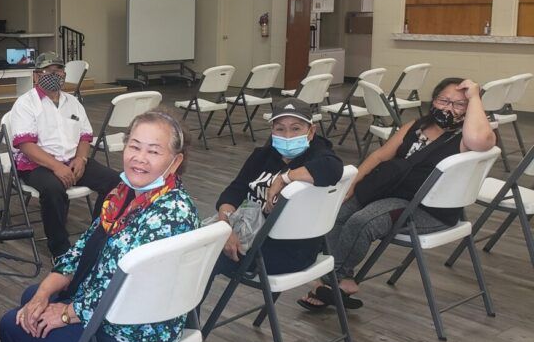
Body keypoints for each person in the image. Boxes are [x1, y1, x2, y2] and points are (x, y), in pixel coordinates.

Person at [0, 111, 198, 342]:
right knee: (33, 299)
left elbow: (127, 290)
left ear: (175, 161)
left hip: (135, 330)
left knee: (13, 327)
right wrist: (43, 293)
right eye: (134, 146)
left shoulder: (171, 212)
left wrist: (65, 314)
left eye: (153, 151)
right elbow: (82, 250)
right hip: (113, 308)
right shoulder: (124, 193)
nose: (139, 158)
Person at [298, 78, 495, 310]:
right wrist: (352, 184)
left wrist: (474, 97)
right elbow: (380, 155)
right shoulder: (416, 126)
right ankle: (341, 280)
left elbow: (480, 140)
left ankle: (330, 281)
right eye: (444, 100)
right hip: (388, 190)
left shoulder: (465, 139)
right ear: (433, 100)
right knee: (337, 212)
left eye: (460, 104)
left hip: (424, 208)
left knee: (361, 222)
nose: (449, 108)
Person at [211, 98, 344, 279]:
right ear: (272, 131)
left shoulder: (319, 155)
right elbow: (234, 191)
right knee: (197, 245)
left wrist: (284, 178)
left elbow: (333, 169)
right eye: (280, 128)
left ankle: (186, 306)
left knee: (200, 258)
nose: (287, 135)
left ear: (311, 131)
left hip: (287, 251)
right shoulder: (262, 156)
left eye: (296, 128)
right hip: (252, 236)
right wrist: (224, 226)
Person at [7, 52, 121, 260]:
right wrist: (56, 167)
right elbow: (25, 145)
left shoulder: (73, 102)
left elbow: (85, 136)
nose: (55, 75)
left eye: (59, 70)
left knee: (116, 182)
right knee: (53, 189)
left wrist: (81, 159)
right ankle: (59, 249)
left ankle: (98, 234)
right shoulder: (25, 104)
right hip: (36, 164)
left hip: (72, 159)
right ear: (36, 75)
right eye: (49, 71)